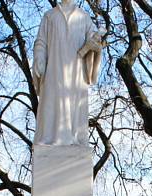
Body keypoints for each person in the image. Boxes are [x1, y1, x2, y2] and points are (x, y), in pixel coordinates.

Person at [32, 0, 102, 145]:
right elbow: (41, 41)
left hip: (76, 72)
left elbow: (94, 41)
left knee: (73, 106)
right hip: (54, 69)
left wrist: (94, 43)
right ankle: (49, 138)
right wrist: (39, 58)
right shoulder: (49, 16)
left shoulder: (84, 17)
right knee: (52, 101)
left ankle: (74, 138)